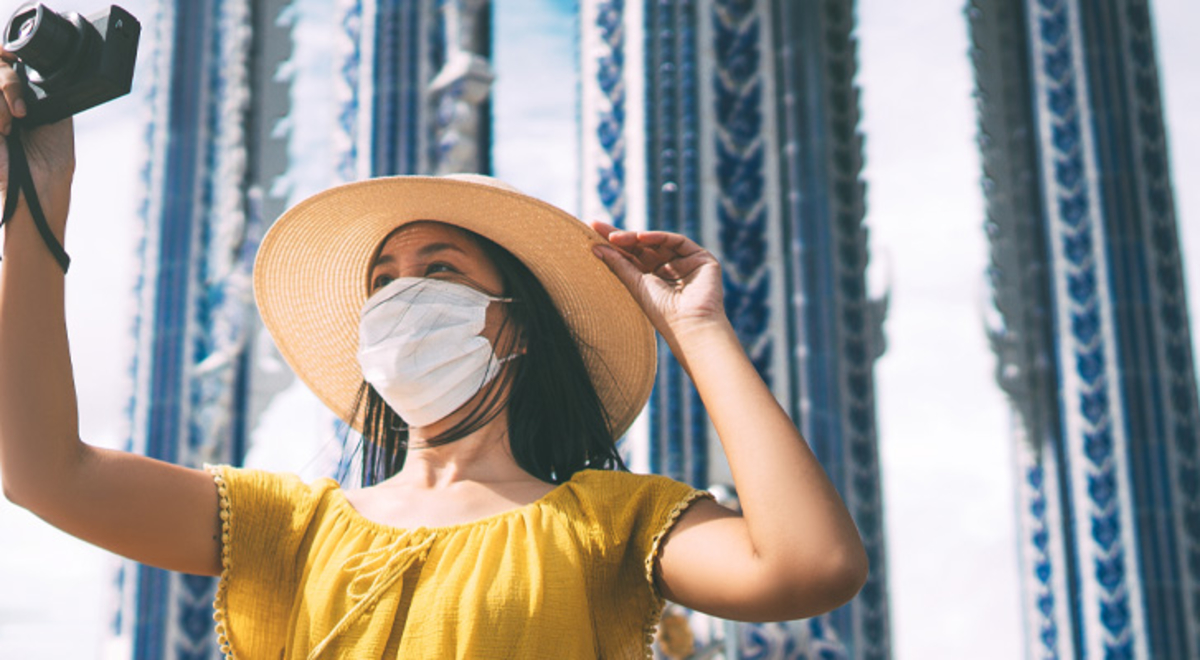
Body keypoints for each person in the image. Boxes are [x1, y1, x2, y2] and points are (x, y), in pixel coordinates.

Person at [0, 57, 868, 658]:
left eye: (440, 270)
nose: (402, 296)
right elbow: (43, 473)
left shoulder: (613, 523)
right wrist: (39, 197)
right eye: (385, 278)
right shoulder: (294, 531)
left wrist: (700, 332)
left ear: (515, 326)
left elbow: (808, 568)